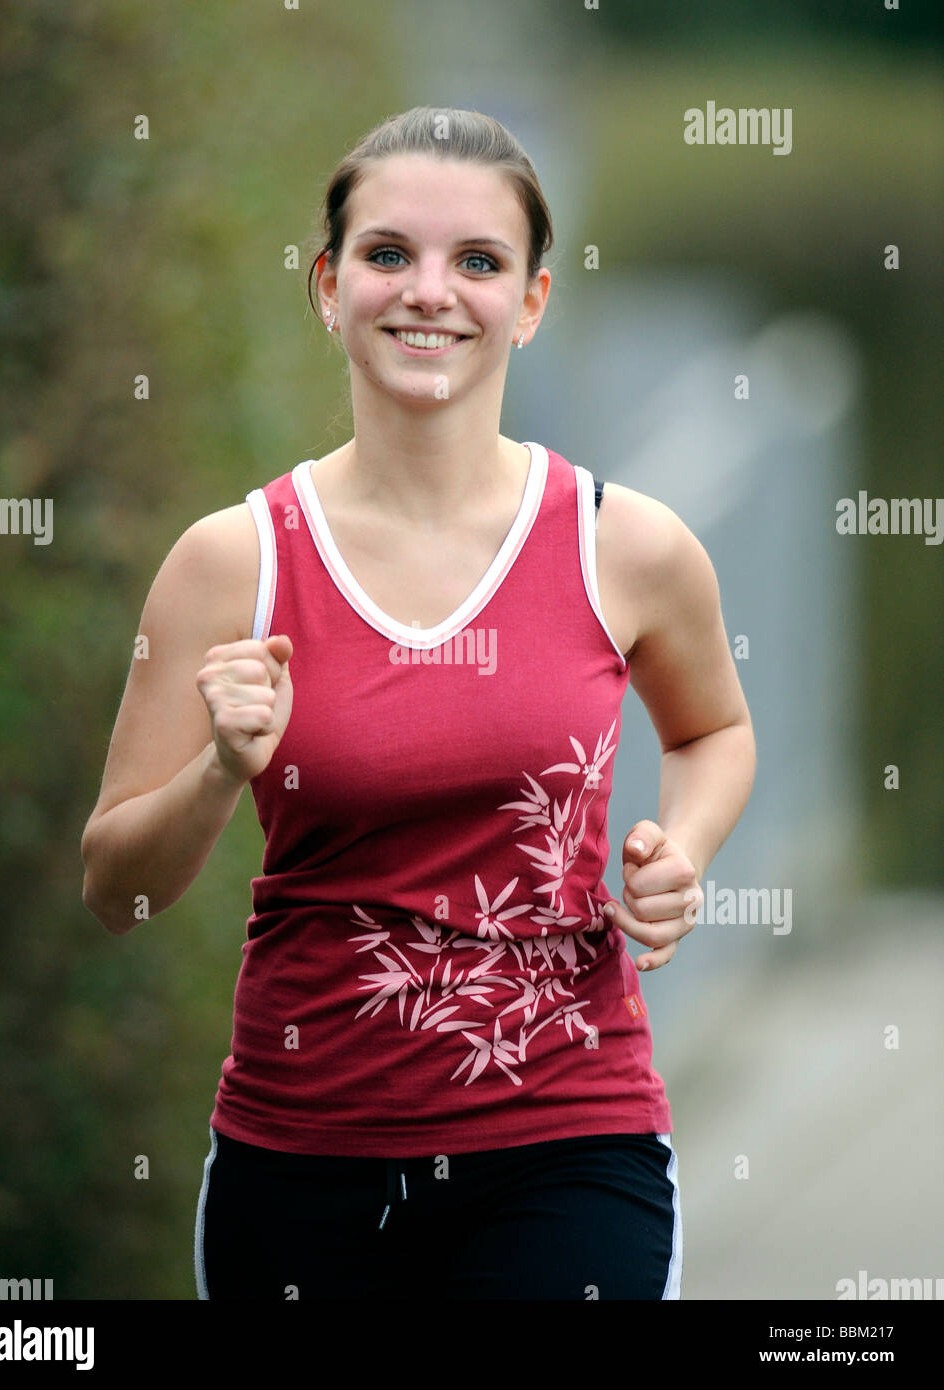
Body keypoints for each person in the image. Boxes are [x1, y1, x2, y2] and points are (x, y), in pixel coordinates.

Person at [81, 105, 756, 1301]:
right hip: (301, 1157)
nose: (429, 292)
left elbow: (711, 730)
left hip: (567, 1136)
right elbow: (115, 887)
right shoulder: (231, 564)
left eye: (477, 262)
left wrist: (683, 848)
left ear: (530, 303)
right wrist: (219, 769)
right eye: (388, 253)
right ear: (328, 287)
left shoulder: (626, 546)